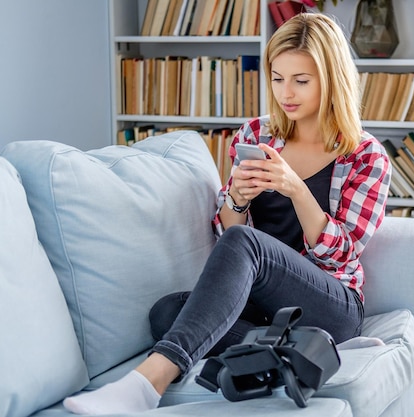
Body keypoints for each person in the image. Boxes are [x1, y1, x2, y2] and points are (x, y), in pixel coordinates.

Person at [63, 12, 391, 415]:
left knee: (247, 244)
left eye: (301, 81)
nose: (286, 92)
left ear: (332, 79)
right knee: (167, 312)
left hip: (331, 301)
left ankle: (146, 385)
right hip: (262, 303)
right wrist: (236, 197)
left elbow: (339, 253)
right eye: (277, 77)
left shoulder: (365, 155)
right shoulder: (255, 134)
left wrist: (296, 189)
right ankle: (301, 354)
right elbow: (229, 233)